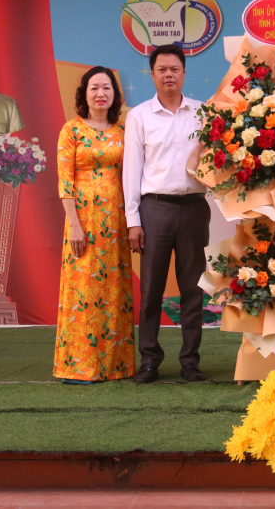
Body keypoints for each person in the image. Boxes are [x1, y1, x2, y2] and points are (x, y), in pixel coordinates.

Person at [123, 44, 210, 384]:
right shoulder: (139, 116)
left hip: (194, 209)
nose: (168, 75)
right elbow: (132, 171)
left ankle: (190, 361)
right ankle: (149, 360)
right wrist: (133, 220)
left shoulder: (203, 113)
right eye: (162, 69)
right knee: (151, 291)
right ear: (152, 74)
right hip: (154, 209)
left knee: (192, 289)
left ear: (184, 73)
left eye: (174, 69)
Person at [53, 66, 134, 384]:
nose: (101, 93)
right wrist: (74, 225)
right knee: (83, 290)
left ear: (115, 95)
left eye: (107, 88)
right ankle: (79, 366)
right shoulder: (71, 130)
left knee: (113, 291)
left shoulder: (123, 132)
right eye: (94, 88)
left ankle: (116, 365)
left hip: (116, 222)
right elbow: (65, 182)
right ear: (84, 94)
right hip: (83, 222)